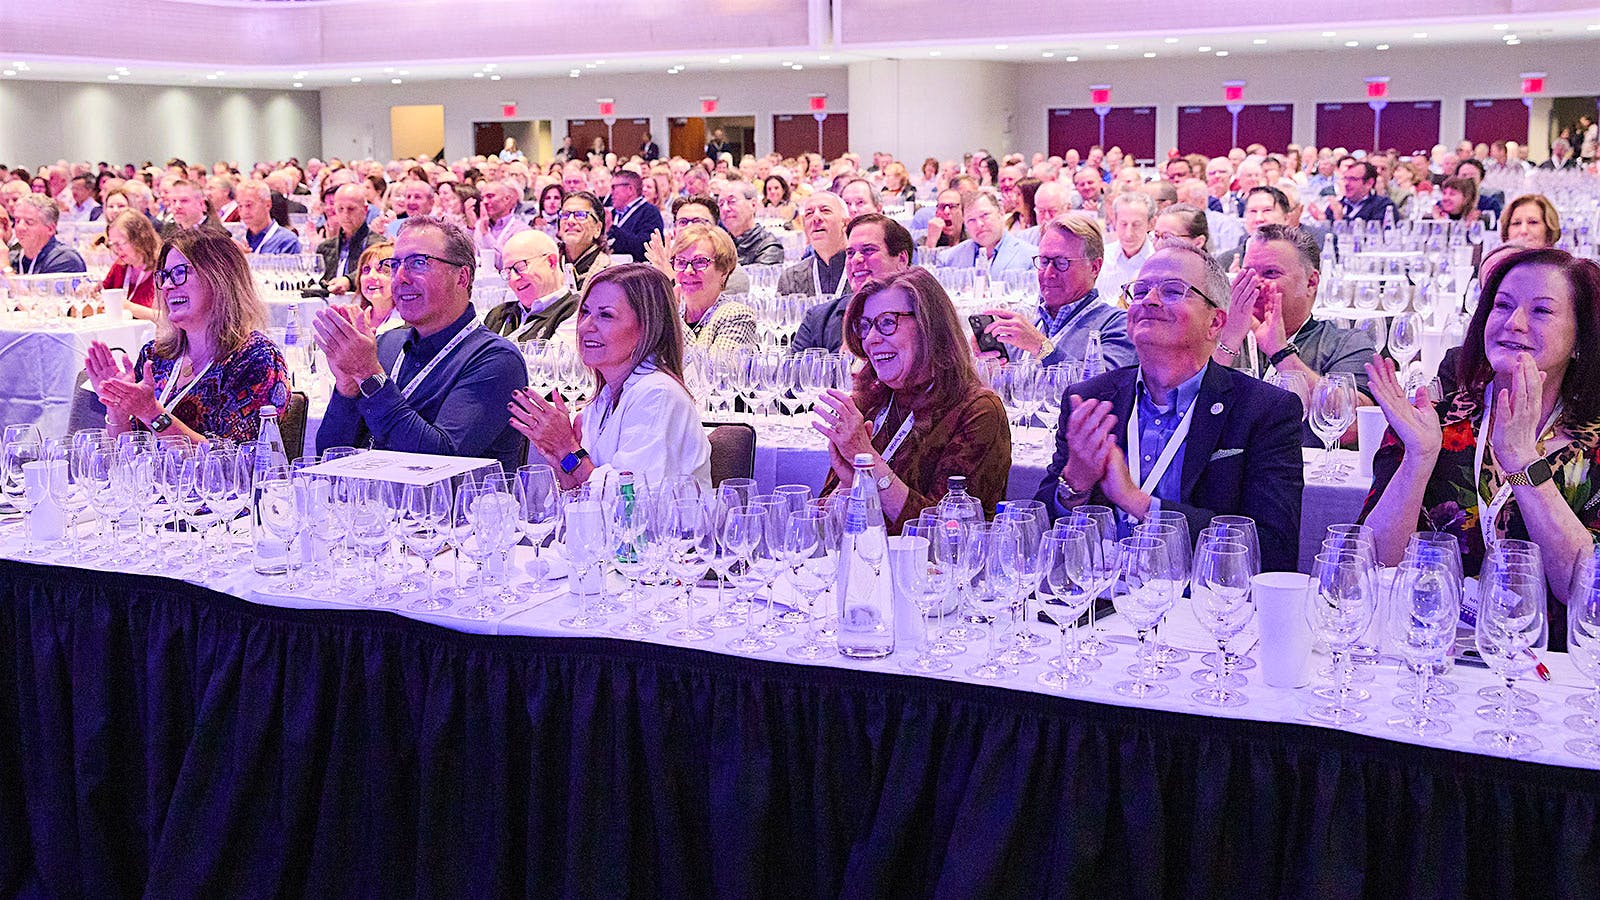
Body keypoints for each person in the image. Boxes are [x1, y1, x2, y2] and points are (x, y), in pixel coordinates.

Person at [1360, 248, 1600, 648]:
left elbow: (1584, 590)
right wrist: (1419, 459)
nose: (1514, 323)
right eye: (1502, 305)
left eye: (1541, 311)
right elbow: (1373, 564)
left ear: (1580, 339)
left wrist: (1524, 461)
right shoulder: (1432, 421)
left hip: (1548, 672)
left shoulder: (1592, 447)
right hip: (1428, 655)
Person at [1036, 238, 1304, 572]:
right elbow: (1037, 536)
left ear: (1216, 323)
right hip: (1098, 600)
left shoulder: (1264, 410)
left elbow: (1274, 549)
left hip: (1201, 605)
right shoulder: (1092, 399)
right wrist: (1075, 483)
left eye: (1173, 291)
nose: (1149, 300)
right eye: (1141, 290)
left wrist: (1139, 503)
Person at [313, 216, 528, 473]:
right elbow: (329, 455)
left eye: (418, 263)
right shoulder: (386, 344)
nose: (400, 278)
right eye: (394, 265)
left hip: (452, 510)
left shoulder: (496, 360)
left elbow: (439, 461)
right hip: (370, 505)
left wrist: (369, 376)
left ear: (462, 277)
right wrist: (347, 386)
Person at [814, 267, 1012, 531]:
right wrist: (848, 487)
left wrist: (870, 464)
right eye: (865, 326)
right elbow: (819, 523)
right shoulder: (870, 403)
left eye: (887, 322)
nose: (871, 339)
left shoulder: (977, 411)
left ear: (929, 327)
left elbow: (946, 534)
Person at [508, 264, 711, 491]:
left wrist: (567, 448)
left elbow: (630, 503)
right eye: (584, 312)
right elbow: (584, 496)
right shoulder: (603, 398)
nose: (585, 326)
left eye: (606, 315)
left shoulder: (658, 394)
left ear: (648, 327)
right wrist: (559, 459)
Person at [84, 227, 290, 444]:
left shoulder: (256, 358)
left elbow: (237, 460)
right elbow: (127, 453)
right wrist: (117, 409)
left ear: (220, 278)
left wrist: (153, 414)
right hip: (153, 478)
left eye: (180, 273)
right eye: (163, 276)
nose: (167, 285)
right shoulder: (155, 356)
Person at [1212, 224, 1374, 444]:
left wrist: (1280, 352)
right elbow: (1187, 409)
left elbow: (1352, 428)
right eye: (1249, 273)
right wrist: (1228, 340)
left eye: (1271, 273)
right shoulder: (1217, 337)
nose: (1256, 283)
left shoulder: (1346, 344)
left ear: (1311, 282)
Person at [977, 214, 1135, 369]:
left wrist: (1042, 348)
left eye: (1061, 263)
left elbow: (1101, 387)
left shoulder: (1117, 325)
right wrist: (990, 364)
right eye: (1044, 261)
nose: (1048, 273)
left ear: (1094, 267)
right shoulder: (1033, 325)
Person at [792, 213, 913, 354]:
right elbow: (792, 374)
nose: (855, 259)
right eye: (850, 253)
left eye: (868, 250)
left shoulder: (923, 315)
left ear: (902, 259)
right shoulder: (818, 320)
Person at [667, 224, 757, 352]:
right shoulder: (674, 312)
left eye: (700, 262)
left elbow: (712, 369)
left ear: (724, 271)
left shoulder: (737, 316)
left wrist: (673, 319)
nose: (688, 271)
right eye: (681, 262)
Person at [484, 229, 579, 344]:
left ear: (551, 261)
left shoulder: (575, 311)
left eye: (520, 267)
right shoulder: (499, 314)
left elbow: (553, 360)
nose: (513, 279)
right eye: (508, 272)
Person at [937, 191, 1034, 271]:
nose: (979, 224)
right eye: (971, 220)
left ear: (1001, 213)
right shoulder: (948, 259)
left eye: (985, 215)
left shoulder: (1031, 257)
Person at [777, 192, 849, 296]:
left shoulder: (864, 271)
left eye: (825, 211)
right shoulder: (790, 278)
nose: (816, 217)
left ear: (845, 223)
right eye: (809, 214)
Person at [98, 210, 161, 320]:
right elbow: (102, 295)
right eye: (112, 244)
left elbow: (169, 318)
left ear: (140, 239)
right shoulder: (120, 266)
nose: (116, 249)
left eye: (120, 243)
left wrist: (131, 308)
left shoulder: (163, 267)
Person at [1094, 191, 1157, 299]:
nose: (1129, 233)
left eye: (1136, 225)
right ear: (1114, 221)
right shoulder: (1102, 256)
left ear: (1151, 224)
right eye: (1123, 224)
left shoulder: (1157, 262)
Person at [316, 183, 374, 295]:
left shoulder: (377, 244)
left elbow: (374, 271)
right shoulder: (326, 247)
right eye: (340, 209)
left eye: (351, 209)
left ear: (365, 210)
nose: (345, 214)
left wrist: (348, 281)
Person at [10, 195, 88, 274]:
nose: (20, 227)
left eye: (29, 222)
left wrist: (6, 270)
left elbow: (38, 286)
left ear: (50, 229)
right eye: (17, 221)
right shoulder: (12, 257)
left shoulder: (65, 259)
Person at [716, 181, 785, 266]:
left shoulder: (769, 246)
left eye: (732, 201)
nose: (725, 208)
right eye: (721, 204)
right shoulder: (719, 244)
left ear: (753, 205)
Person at [557, 191, 612, 294]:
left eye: (580, 215)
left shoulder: (611, 274)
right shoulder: (547, 267)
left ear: (597, 229)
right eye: (565, 214)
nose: (570, 221)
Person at [605, 170, 664, 262]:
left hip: (636, 272)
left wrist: (612, 229)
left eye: (614, 187)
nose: (610, 193)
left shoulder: (650, 212)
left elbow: (644, 249)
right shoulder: (612, 213)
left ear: (630, 189)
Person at [351, 240, 405, 334]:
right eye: (366, 269)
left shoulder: (409, 324)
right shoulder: (352, 319)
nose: (371, 276)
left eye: (381, 269)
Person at [473, 181, 530, 269]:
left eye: (490, 196)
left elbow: (507, 265)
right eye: (482, 198)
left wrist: (485, 234)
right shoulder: (478, 225)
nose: (484, 201)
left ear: (506, 199)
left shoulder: (521, 230)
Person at [235, 180, 300, 254]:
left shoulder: (287, 241)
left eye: (249, 205)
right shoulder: (237, 240)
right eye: (240, 206)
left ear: (267, 205)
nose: (244, 212)